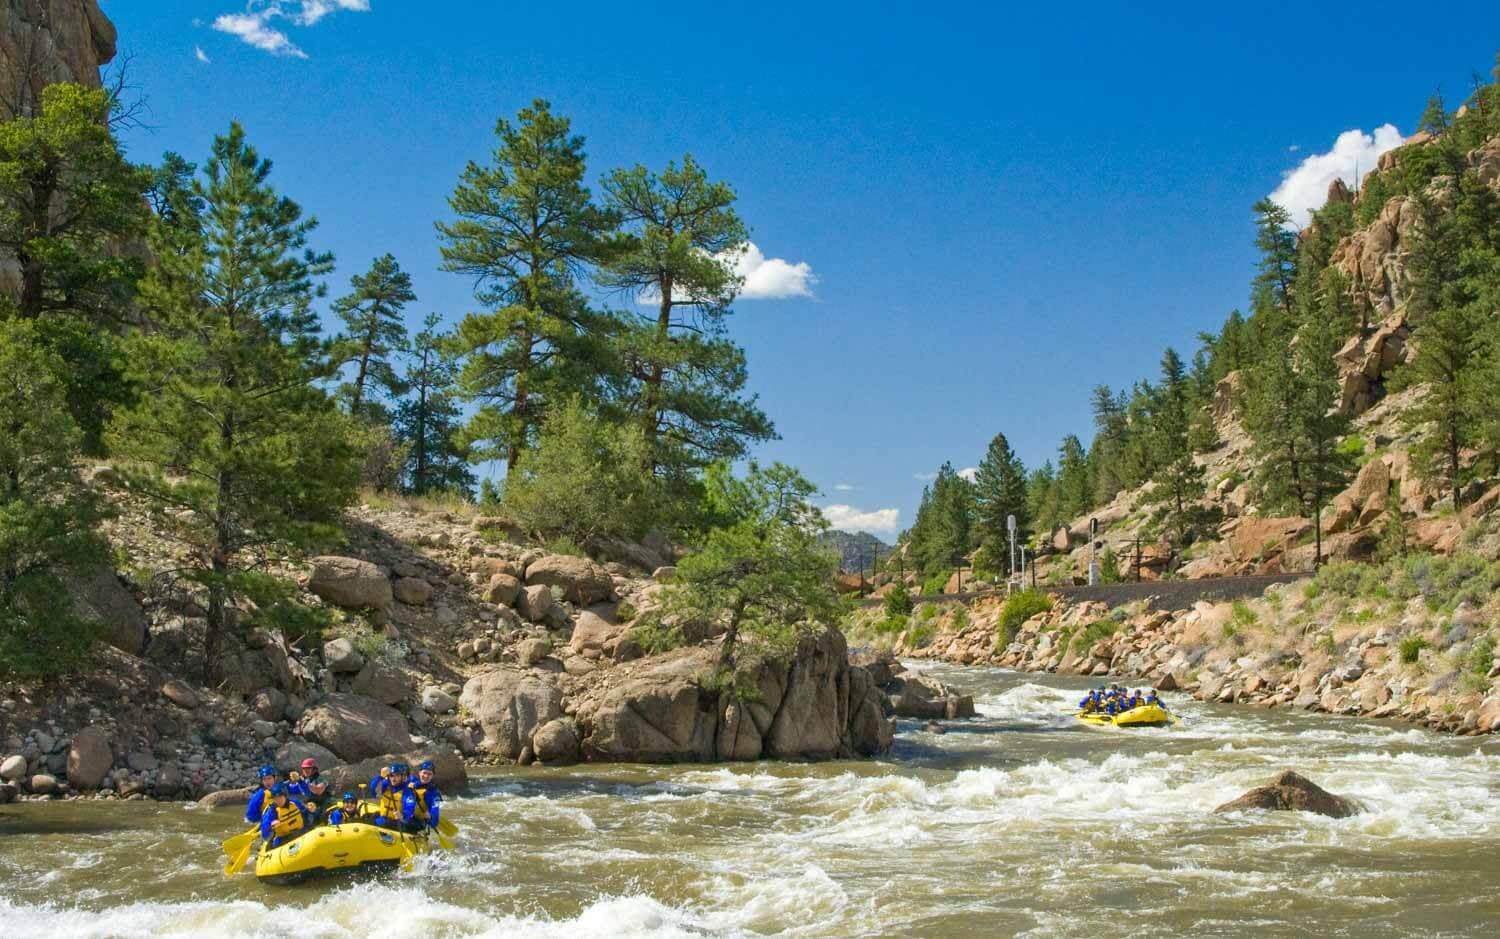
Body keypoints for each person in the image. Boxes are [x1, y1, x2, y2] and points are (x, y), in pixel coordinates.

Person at [259, 783, 308, 848]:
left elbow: (306, 814)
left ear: (285, 796)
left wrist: (311, 811)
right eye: (275, 798)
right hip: (283, 838)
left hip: (300, 831)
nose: (278, 800)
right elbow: (265, 832)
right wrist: (271, 826)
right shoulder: (273, 811)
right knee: (274, 844)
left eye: (280, 797)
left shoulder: (295, 803)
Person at [402, 760, 443, 832]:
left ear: (433, 776)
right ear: (419, 773)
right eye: (424, 773)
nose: (426, 776)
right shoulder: (411, 781)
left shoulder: (434, 794)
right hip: (403, 815)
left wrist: (431, 816)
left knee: (405, 824)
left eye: (429, 774)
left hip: (418, 821)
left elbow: (435, 813)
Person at [375, 764, 409, 828]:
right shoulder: (385, 784)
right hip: (383, 818)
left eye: (397, 776)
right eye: (391, 775)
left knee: (382, 822)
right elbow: (374, 791)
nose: (393, 778)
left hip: (398, 823)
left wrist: (403, 815)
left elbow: (409, 807)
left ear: (402, 777)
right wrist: (380, 777)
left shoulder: (407, 791)